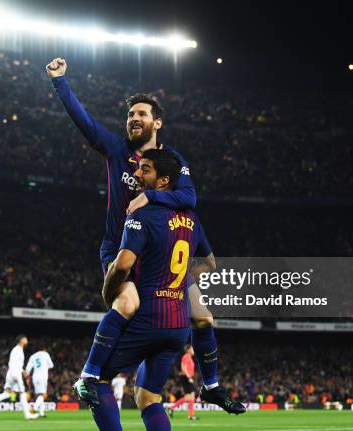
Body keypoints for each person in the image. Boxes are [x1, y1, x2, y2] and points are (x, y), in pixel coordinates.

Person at [46, 58, 240, 413]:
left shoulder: (171, 161)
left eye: (141, 114)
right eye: (130, 114)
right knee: (128, 303)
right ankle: (89, 377)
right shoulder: (116, 150)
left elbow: (190, 199)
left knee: (204, 316)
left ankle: (211, 386)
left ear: (157, 122)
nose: (134, 118)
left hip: (159, 257)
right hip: (120, 247)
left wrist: (149, 195)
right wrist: (60, 82)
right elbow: (84, 123)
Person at [88, 150, 243, 431]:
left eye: (145, 170)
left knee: (96, 380)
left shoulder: (142, 213)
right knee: (148, 397)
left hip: (149, 316)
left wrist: (109, 291)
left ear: (162, 181)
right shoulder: (192, 219)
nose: (137, 174)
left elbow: (123, 264)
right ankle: (212, 384)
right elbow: (210, 264)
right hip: (178, 328)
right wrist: (179, 278)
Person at [0, 335, 38, 420]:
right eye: (25, 338)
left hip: (13, 373)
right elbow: (12, 363)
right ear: (21, 340)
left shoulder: (18, 350)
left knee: (7, 393)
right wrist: (15, 375)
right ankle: (27, 415)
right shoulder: (17, 350)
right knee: (22, 393)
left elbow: (17, 364)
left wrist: (23, 371)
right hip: (14, 374)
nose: (27, 340)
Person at [168, 345, 198, 420]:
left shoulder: (189, 357)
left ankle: (172, 408)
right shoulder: (186, 357)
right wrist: (189, 377)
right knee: (191, 396)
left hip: (187, 377)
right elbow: (183, 367)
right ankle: (190, 416)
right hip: (185, 377)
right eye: (192, 349)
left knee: (190, 397)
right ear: (188, 350)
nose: (193, 350)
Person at [25, 348, 54, 417]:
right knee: (43, 395)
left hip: (35, 377)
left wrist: (27, 378)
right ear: (44, 349)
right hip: (43, 376)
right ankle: (34, 408)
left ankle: (41, 413)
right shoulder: (45, 354)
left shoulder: (33, 356)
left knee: (40, 395)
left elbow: (27, 370)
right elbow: (51, 365)